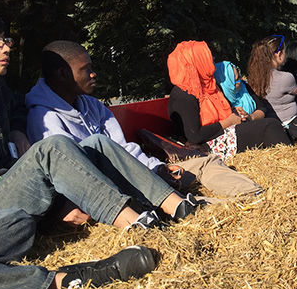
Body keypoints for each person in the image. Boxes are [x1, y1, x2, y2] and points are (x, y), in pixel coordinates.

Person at [0, 7, 191, 289]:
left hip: (4, 205)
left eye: (6, 39)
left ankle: (177, 205)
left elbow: (16, 107)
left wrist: (15, 132)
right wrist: (51, 200)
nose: (6, 46)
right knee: (51, 148)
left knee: (94, 143)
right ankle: (133, 230)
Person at [25, 41, 262, 198]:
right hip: (113, 189)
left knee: (205, 163)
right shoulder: (44, 119)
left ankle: (254, 196)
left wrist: (156, 168)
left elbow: (122, 147)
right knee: (186, 201)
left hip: (138, 171)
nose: (94, 74)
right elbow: (73, 174)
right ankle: (222, 209)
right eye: (86, 69)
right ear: (63, 74)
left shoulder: (93, 106)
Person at [167, 40, 292, 161]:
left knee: (277, 126)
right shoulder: (183, 94)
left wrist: (236, 113)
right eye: (207, 57)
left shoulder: (208, 86)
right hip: (208, 145)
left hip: (222, 133)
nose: (212, 61)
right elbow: (194, 135)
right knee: (269, 125)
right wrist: (229, 121)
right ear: (197, 62)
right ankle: (291, 161)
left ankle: (286, 158)